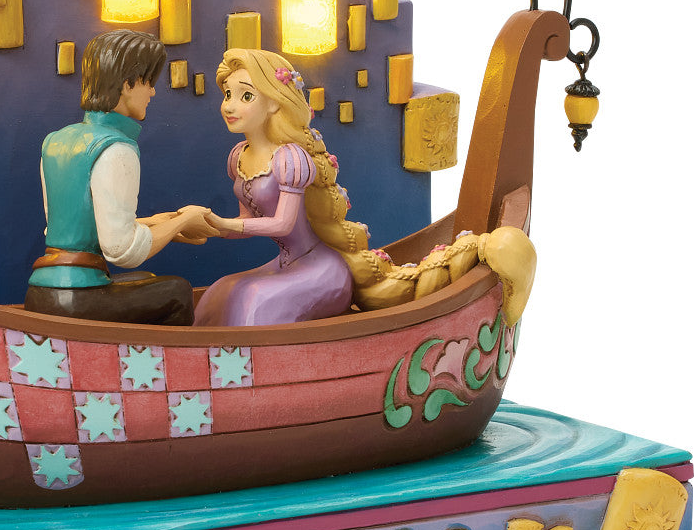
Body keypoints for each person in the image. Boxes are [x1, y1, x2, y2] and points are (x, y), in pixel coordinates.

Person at [194, 48, 408, 327]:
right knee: (218, 294)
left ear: (274, 102)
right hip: (287, 264)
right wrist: (209, 226)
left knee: (254, 299)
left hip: (322, 269)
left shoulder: (290, 158)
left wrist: (224, 224)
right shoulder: (239, 156)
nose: (229, 106)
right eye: (227, 95)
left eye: (246, 96)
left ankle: (256, 357)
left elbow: (282, 224)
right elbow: (246, 222)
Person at [25, 30, 213, 325]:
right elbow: (122, 250)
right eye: (148, 82)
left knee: (145, 279)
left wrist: (156, 223)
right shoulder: (116, 148)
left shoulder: (55, 141)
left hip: (41, 293)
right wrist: (185, 219)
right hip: (75, 300)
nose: (152, 92)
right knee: (177, 291)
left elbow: (77, 228)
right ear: (128, 84)